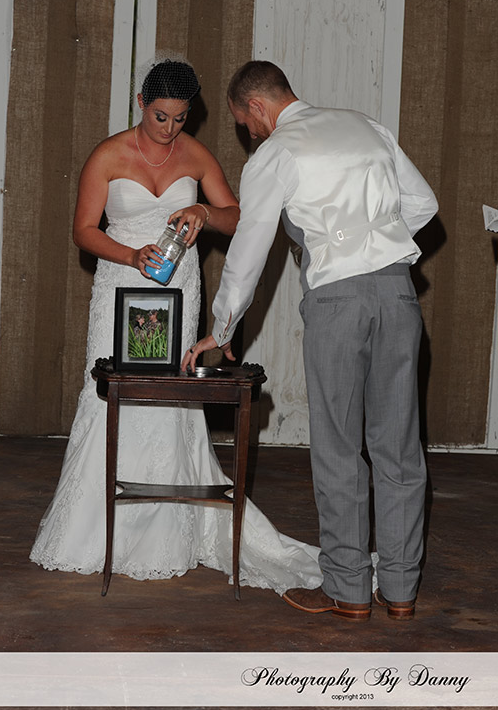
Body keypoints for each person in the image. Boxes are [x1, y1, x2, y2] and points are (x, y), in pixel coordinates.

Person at [30, 58, 322, 594]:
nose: (169, 128)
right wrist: (129, 254)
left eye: (181, 118)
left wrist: (204, 214)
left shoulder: (196, 155)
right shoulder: (107, 155)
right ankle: (93, 531)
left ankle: (169, 528)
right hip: (121, 285)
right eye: (160, 116)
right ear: (142, 103)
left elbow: (239, 217)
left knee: (170, 393)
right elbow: (82, 230)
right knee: (112, 394)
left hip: (177, 289)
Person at [183, 60, 438, 621]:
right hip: (398, 294)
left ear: (256, 106)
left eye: (245, 123)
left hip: (338, 303)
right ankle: (400, 590)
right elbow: (423, 204)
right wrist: (373, 241)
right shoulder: (367, 125)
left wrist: (221, 329)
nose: (249, 134)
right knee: (399, 447)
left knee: (339, 447)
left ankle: (348, 590)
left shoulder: (276, 152)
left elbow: (249, 252)